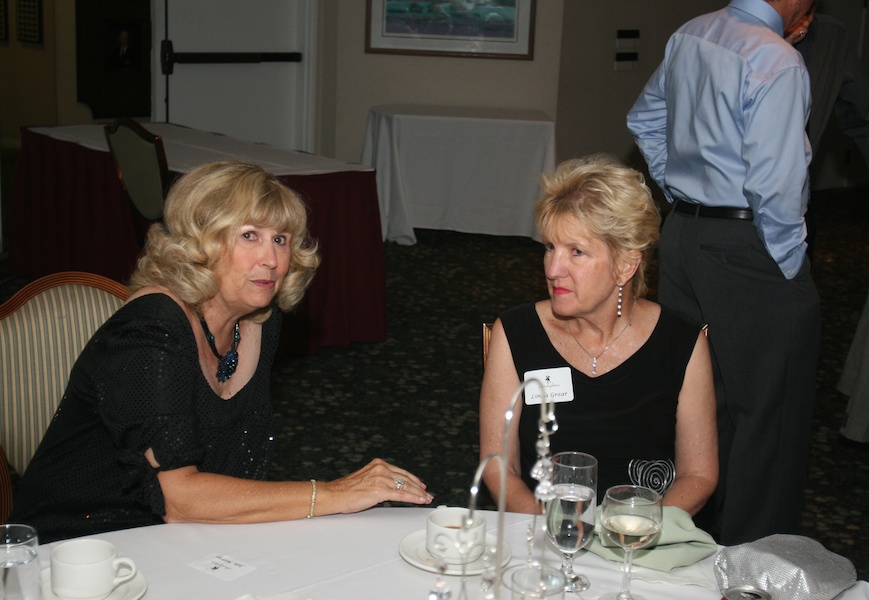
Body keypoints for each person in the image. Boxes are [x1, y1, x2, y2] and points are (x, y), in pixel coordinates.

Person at [8, 161, 433, 542]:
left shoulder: (259, 322)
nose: (271, 259)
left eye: (281, 239)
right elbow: (180, 499)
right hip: (81, 549)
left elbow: (231, 470)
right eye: (249, 236)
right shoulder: (151, 328)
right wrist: (337, 492)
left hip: (184, 542)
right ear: (202, 243)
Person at [626, 0, 820, 545]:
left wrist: (681, 192)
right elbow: (776, 182)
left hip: (686, 235)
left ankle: (693, 545)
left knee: (700, 400)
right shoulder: (776, 59)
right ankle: (756, 565)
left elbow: (643, 118)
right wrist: (789, 260)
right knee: (769, 413)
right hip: (748, 244)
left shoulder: (693, 33)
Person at [479, 154, 718, 516]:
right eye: (549, 247)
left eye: (576, 252)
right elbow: (499, 467)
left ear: (625, 265)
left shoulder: (681, 344)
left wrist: (634, 532)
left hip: (642, 536)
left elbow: (698, 475)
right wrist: (554, 528)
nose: (553, 268)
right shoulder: (515, 334)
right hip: (539, 531)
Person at [785, 9, 869, 258]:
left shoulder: (831, 37)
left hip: (797, 213)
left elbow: (865, 122)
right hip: (731, 215)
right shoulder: (736, 33)